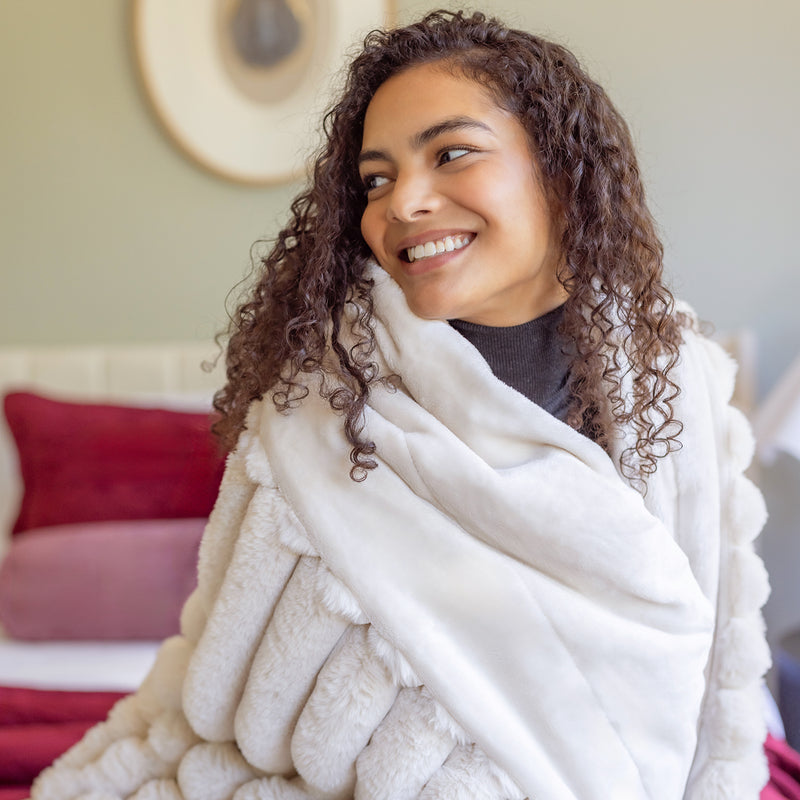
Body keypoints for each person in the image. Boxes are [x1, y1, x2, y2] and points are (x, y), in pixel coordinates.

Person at [32, 10, 770, 800]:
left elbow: (717, 662)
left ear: (561, 169)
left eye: (451, 154)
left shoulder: (676, 380)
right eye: (376, 180)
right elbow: (225, 696)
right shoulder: (320, 409)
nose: (401, 205)